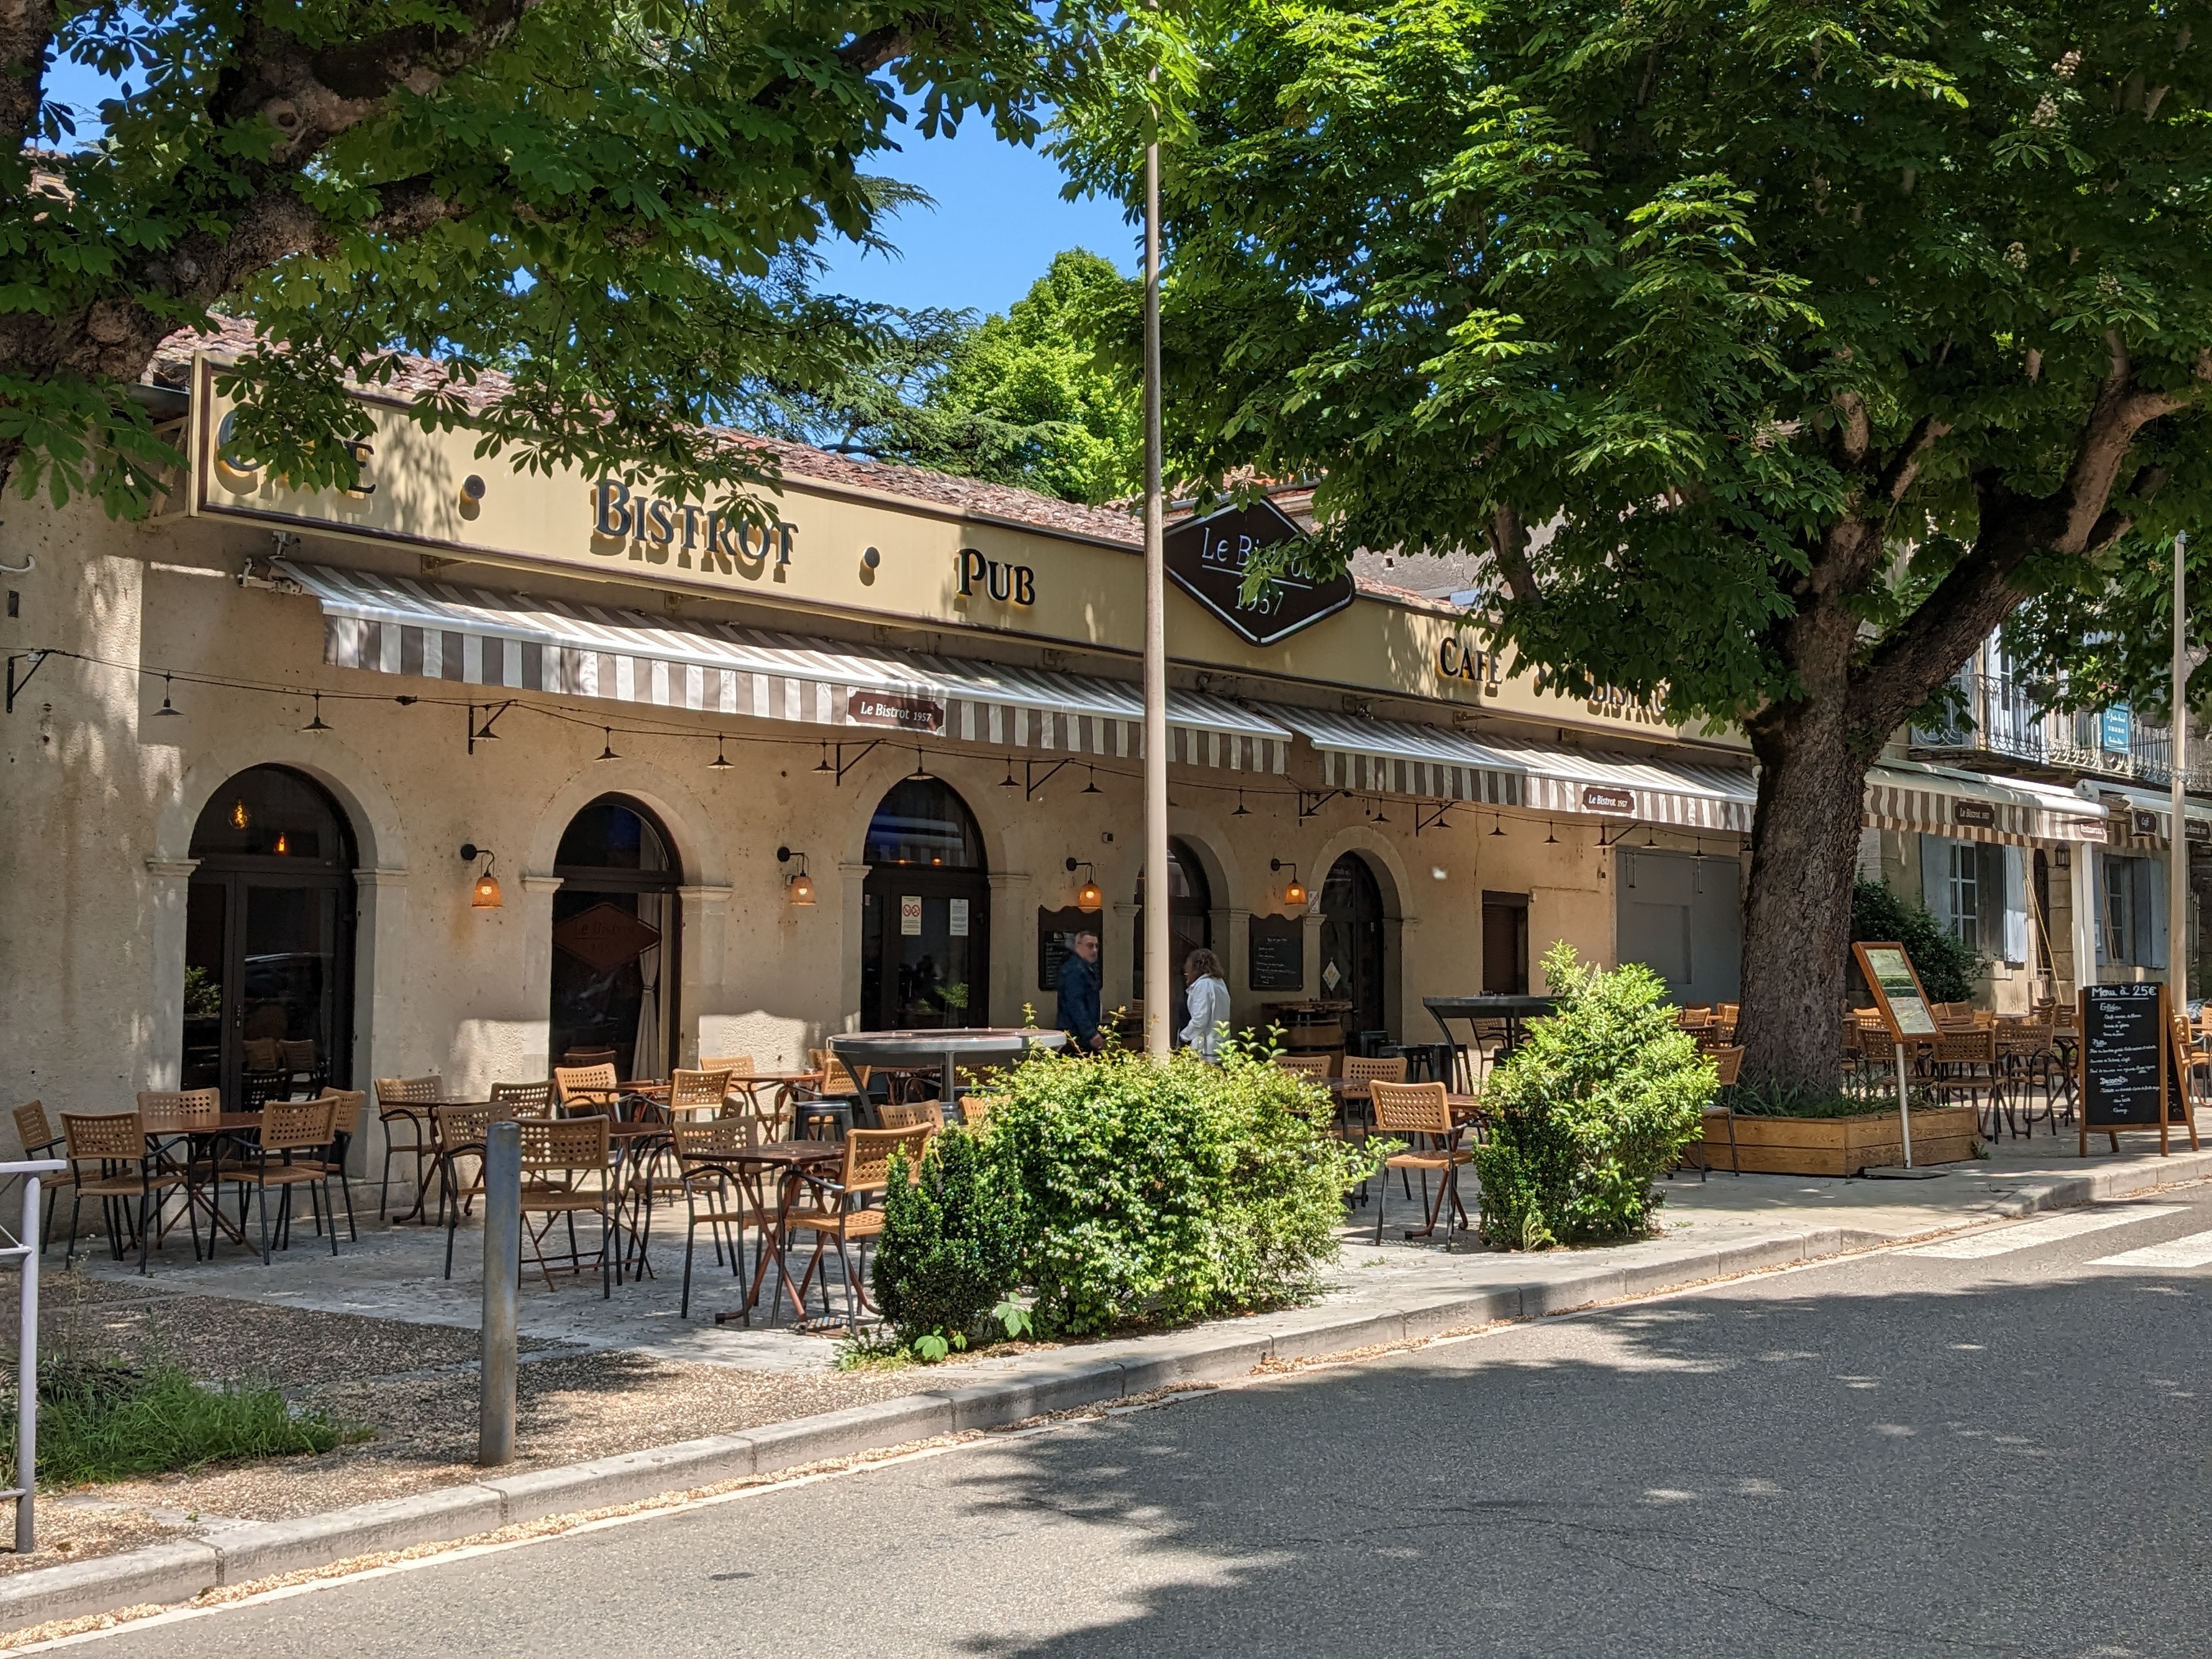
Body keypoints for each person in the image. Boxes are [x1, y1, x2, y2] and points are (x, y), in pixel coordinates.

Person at [1179, 947, 1232, 1062]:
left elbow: (1200, 1020)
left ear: (1195, 968)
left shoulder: (1203, 985)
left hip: (1206, 1047)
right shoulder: (1219, 983)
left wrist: (1184, 1037)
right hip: (1221, 1043)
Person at [1057, 932, 1105, 1051]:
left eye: (1096, 946)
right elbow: (1075, 1004)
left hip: (1081, 1034)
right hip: (1076, 1036)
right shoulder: (1075, 969)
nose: (1094, 950)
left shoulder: (1085, 968)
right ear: (1078, 946)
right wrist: (1090, 1033)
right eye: (1090, 946)